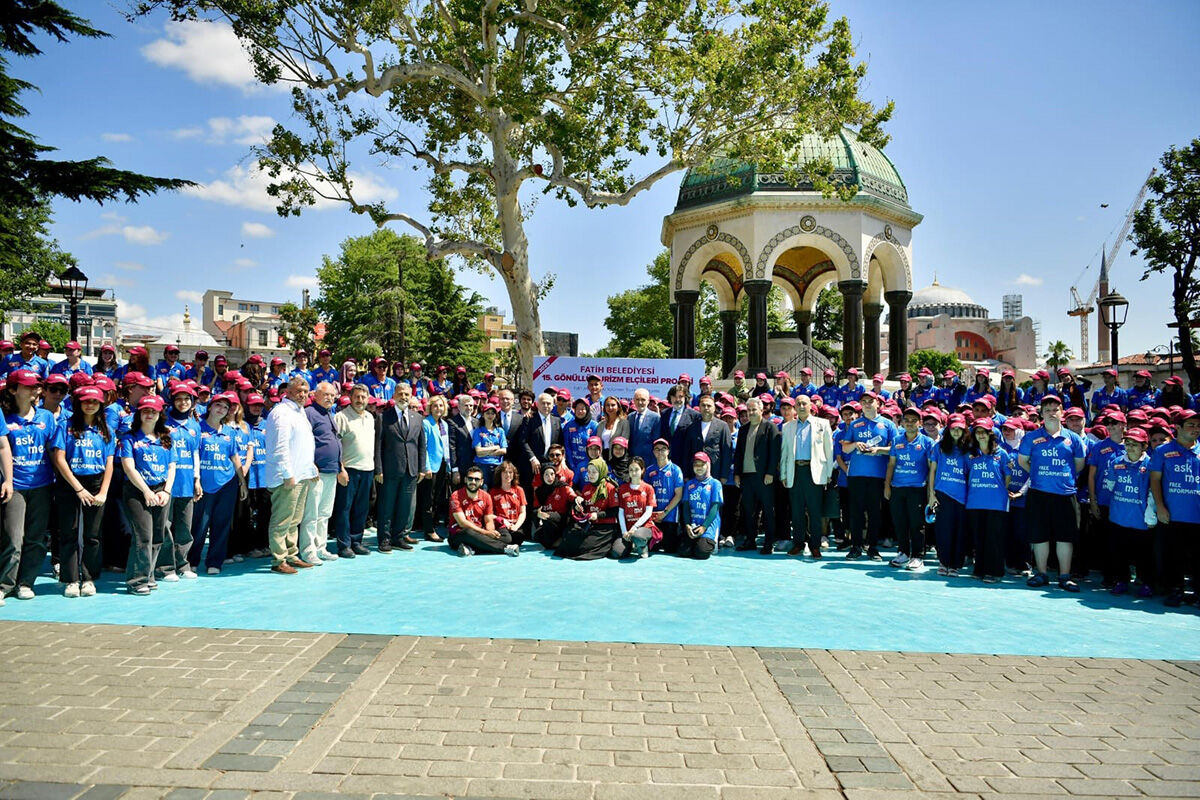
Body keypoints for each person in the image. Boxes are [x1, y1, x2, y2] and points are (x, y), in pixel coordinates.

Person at [49, 384, 115, 597]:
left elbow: (109, 462)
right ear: (78, 403)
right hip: (70, 483)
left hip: (96, 483)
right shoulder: (65, 426)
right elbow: (59, 458)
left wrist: (103, 492)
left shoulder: (106, 430)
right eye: (86, 401)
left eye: (94, 401)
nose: (90, 405)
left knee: (92, 535)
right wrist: (78, 489)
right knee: (68, 532)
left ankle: (88, 578)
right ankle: (70, 579)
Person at [1018, 395, 1087, 592]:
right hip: (1039, 493)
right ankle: (1041, 574)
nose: (1051, 413)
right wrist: (1038, 473)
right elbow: (1023, 461)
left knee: (1065, 537)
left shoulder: (1072, 438)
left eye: (1055, 409)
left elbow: (1079, 464)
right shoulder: (1031, 437)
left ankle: (1065, 577)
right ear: (1041, 414)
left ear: (1062, 413)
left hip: (1066, 495)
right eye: (1047, 409)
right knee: (1040, 536)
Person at [1, 370, 56, 601]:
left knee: (36, 538)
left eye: (37, 386)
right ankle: (5, 585)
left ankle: (26, 582)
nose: (35, 390)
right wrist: (8, 481)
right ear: (13, 390)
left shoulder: (46, 417)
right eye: (28, 386)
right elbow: (2, 450)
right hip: (16, 487)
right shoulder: (4, 417)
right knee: (13, 538)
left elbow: (54, 452)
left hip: (43, 486)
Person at [118, 394, 176, 595]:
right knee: (143, 536)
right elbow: (129, 467)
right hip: (137, 491)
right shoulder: (129, 438)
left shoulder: (166, 437)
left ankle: (149, 574)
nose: (149, 414)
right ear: (139, 414)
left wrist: (166, 490)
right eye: (145, 410)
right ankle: (137, 580)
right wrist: (146, 491)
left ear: (160, 413)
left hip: (161, 490)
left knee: (158, 536)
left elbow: (171, 466)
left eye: (154, 411)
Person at [262, 377, 318, 574]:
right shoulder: (281, 413)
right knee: (282, 520)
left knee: (294, 520)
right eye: (298, 391)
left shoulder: (299, 412)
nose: (302, 394)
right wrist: (287, 474)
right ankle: (278, 560)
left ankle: (291, 555)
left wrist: (311, 468)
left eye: (305, 391)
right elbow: (280, 447)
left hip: (301, 475)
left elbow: (303, 444)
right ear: (287, 392)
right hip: (288, 478)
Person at [1149, 410, 1200, 607]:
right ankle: (1175, 590)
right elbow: (1155, 480)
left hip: (1197, 515)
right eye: (1190, 425)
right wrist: (1160, 507)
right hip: (1173, 515)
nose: (1195, 429)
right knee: (1173, 556)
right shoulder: (1163, 451)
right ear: (1177, 428)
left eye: (1197, 425)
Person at [842, 391, 896, 561]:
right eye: (864, 401)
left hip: (878, 476)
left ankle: (872, 546)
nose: (867, 404)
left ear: (877, 404)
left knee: (874, 513)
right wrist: (855, 444)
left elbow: (895, 449)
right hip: (856, 475)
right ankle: (856, 546)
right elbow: (845, 448)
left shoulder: (887, 425)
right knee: (856, 512)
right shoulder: (855, 424)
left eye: (870, 401)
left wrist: (878, 450)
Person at [781, 394, 834, 560]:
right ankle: (798, 543)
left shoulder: (823, 424)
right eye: (798, 404)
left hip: (815, 472)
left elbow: (829, 450)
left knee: (815, 512)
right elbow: (784, 453)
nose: (801, 406)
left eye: (804, 403)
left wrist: (828, 474)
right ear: (794, 408)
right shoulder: (787, 427)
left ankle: (815, 545)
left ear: (811, 405)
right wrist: (783, 473)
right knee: (796, 512)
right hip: (795, 471)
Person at [375, 382, 426, 552]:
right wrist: (379, 469)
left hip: (411, 470)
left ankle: (398, 537)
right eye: (400, 394)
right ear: (394, 396)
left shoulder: (418, 418)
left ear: (411, 396)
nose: (403, 397)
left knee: (405, 507)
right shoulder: (383, 417)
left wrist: (421, 468)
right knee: (386, 506)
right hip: (390, 470)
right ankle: (384, 539)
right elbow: (378, 445)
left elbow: (421, 445)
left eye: (407, 394)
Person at [1108, 428, 1156, 597]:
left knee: (1144, 555)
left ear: (1144, 446)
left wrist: (1151, 515)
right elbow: (1110, 485)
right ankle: (1121, 581)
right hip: (1118, 516)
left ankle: (1147, 582)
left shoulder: (1151, 464)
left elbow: (1153, 492)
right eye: (1127, 444)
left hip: (1141, 519)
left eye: (1135, 445)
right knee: (1119, 552)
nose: (1130, 448)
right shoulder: (1116, 462)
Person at [161, 383, 202, 581]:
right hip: (167, 484)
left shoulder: (195, 426)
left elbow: (195, 454)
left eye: (187, 399)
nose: (183, 402)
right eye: (178, 398)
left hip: (187, 483)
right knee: (165, 526)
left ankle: (183, 564)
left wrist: (197, 480)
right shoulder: (164, 422)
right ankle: (166, 567)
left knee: (185, 527)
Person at [883, 407, 933, 570]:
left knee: (916, 524)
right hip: (898, 488)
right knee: (900, 522)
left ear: (919, 423)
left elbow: (930, 468)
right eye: (907, 420)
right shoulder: (897, 440)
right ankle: (903, 552)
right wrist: (887, 486)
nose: (910, 424)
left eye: (914, 421)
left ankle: (918, 556)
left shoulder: (927, 442)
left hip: (917, 489)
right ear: (902, 422)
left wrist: (929, 492)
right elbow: (891, 464)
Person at [299, 382, 342, 564]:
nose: (330, 398)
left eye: (332, 396)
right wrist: (310, 464)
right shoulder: (309, 413)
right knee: (312, 514)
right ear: (315, 395)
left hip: (331, 471)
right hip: (316, 472)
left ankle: (320, 547)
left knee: (324, 513)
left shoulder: (329, 414)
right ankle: (308, 551)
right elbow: (303, 442)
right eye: (326, 395)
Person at [966, 418, 1012, 583]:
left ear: (991, 434)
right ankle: (979, 569)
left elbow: (1007, 476)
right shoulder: (971, 454)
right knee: (978, 538)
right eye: (978, 432)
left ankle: (994, 572)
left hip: (996, 503)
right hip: (975, 502)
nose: (981, 435)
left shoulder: (1002, 454)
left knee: (994, 538)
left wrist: (1000, 492)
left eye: (984, 432)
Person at [734, 397, 780, 553]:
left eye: (754, 409)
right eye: (749, 410)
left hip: (764, 477)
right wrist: (737, 474)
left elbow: (775, 453)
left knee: (768, 511)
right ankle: (750, 540)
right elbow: (738, 454)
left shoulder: (770, 427)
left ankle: (768, 542)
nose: (751, 413)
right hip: (747, 477)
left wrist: (770, 473)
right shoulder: (742, 429)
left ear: (762, 410)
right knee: (749, 511)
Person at [1087, 411, 1126, 589]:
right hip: (1104, 502)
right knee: (1108, 542)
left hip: (1127, 503)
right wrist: (1093, 501)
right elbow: (1092, 476)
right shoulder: (1099, 447)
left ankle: (1124, 577)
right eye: (1107, 423)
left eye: (1114, 423)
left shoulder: (1133, 445)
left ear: (1123, 425)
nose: (1110, 426)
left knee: (1124, 542)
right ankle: (1109, 576)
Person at [929, 414, 970, 576]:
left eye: (960, 428)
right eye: (953, 428)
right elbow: (932, 471)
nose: (956, 431)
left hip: (962, 497)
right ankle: (943, 562)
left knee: (959, 531)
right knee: (943, 530)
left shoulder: (968, 449)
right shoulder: (938, 447)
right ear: (948, 429)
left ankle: (955, 564)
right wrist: (931, 495)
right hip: (942, 494)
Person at [554, 458, 619, 560]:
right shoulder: (586, 488)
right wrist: (579, 506)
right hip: (591, 525)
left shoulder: (610, 488)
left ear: (601, 471)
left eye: (594, 472)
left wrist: (597, 515)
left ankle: (608, 545)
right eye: (589, 472)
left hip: (605, 527)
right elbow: (585, 508)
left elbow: (615, 510)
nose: (591, 475)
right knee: (569, 537)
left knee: (584, 547)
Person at [448, 465, 518, 557]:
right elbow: (462, 523)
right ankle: (505, 548)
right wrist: (486, 533)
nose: (473, 482)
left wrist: (491, 532)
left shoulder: (486, 496)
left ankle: (471, 549)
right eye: (470, 479)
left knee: (507, 537)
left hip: (479, 533)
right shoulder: (456, 495)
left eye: (476, 479)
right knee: (468, 532)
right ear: (465, 480)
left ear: (481, 482)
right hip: (460, 534)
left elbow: (488, 520)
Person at [415, 393, 450, 544]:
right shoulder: (426, 423)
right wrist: (426, 467)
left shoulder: (444, 424)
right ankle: (428, 531)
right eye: (435, 405)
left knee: (437, 498)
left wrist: (449, 465)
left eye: (441, 405)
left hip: (442, 465)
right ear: (430, 407)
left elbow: (446, 446)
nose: (438, 408)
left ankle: (433, 525)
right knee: (427, 499)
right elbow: (424, 447)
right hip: (430, 467)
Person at [610, 457, 661, 559]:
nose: (633, 473)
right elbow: (621, 512)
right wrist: (624, 531)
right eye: (631, 470)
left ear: (642, 470)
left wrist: (635, 527)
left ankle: (642, 546)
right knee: (616, 553)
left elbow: (648, 512)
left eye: (636, 469)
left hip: (644, 527)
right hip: (627, 529)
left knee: (638, 536)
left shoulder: (648, 488)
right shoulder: (623, 489)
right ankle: (631, 546)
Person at [679, 452, 722, 560]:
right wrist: (688, 525)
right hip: (693, 525)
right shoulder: (689, 484)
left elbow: (714, 508)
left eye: (702, 464)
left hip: (708, 526)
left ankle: (713, 541)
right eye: (696, 465)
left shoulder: (715, 484)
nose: (698, 467)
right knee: (683, 552)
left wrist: (704, 527)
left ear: (707, 465)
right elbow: (686, 507)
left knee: (701, 553)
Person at [645, 438, 684, 554]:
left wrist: (664, 513)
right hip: (654, 518)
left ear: (668, 451)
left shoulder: (676, 470)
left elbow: (679, 495)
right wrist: (652, 514)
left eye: (663, 449)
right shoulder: (649, 470)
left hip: (670, 517)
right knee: (652, 548)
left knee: (670, 549)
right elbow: (646, 493)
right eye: (657, 449)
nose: (660, 452)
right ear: (653, 452)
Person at [519, 392, 563, 491]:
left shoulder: (557, 421)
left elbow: (560, 443)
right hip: (533, 465)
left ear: (553, 405)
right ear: (537, 404)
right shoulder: (529, 419)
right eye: (543, 403)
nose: (546, 406)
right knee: (531, 494)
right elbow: (523, 441)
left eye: (548, 403)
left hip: (551, 464)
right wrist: (532, 458)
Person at [683, 394, 732, 481]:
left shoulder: (722, 426)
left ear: (714, 408)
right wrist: (686, 475)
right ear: (699, 408)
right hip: (694, 473)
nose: (706, 408)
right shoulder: (691, 427)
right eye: (703, 405)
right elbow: (686, 452)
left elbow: (726, 452)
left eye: (709, 405)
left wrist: (724, 476)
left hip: (715, 472)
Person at [531, 463, 575, 549]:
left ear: (555, 475)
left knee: (549, 517)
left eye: (552, 474)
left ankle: (562, 538)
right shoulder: (539, 492)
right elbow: (535, 510)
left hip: (563, 520)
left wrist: (578, 499)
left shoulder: (563, 487)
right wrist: (538, 514)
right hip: (549, 522)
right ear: (542, 477)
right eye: (546, 475)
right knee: (537, 536)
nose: (550, 477)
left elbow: (573, 496)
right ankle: (556, 542)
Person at [488, 460, 526, 546]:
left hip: (515, 524)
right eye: (505, 472)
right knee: (507, 539)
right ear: (500, 474)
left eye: (510, 472)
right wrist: (503, 521)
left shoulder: (519, 490)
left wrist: (516, 526)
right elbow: (489, 514)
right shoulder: (493, 492)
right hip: (501, 525)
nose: (508, 475)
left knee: (519, 538)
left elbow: (523, 512)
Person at [661, 385, 699, 470]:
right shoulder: (664, 414)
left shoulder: (694, 416)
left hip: (685, 461)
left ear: (686, 398)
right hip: (666, 460)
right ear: (670, 398)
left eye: (680, 396)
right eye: (674, 396)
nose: (677, 399)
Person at [471, 402, 507, 488]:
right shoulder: (478, 431)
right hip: (482, 466)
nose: (490, 415)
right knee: (484, 491)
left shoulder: (500, 431)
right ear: (483, 415)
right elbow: (478, 452)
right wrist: (495, 447)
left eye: (492, 413)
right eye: (487, 413)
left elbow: (504, 450)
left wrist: (486, 451)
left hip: (497, 466)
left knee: (496, 492)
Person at [627, 388, 661, 465]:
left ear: (648, 401)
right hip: (632, 462)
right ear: (634, 401)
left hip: (648, 462)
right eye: (637, 399)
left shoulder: (655, 418)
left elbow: (656, 443)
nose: (640, 402)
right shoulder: (630, 417)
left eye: (643, 400)